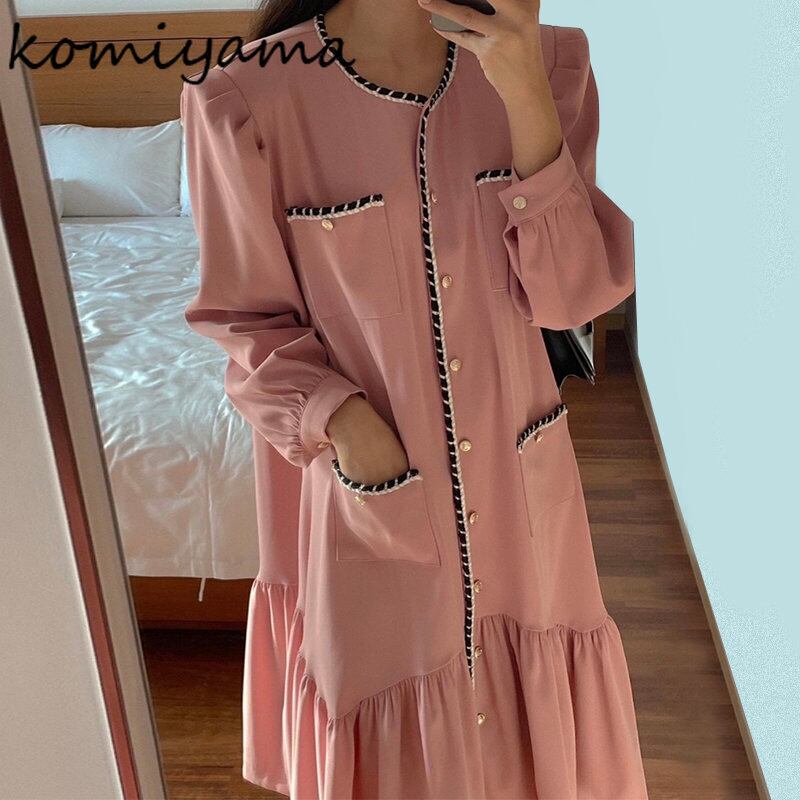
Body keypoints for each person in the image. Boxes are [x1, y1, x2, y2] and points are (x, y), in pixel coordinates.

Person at [180, 0, 648, 797]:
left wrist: (523, 90)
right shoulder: (247, 100)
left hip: (522, 500)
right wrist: (342, 421)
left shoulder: (553, 66)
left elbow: (571, 299)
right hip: (373, 506)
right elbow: (245, 321)